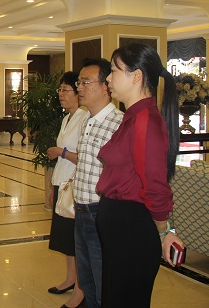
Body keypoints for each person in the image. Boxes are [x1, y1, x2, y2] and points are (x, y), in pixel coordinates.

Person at [96, 43, 185, 307]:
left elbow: (155, 184)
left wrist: (164, 232)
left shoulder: (145, 119)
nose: (108, 79)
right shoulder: (133, 116)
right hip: (120, 224)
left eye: (114, 71)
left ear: (136, 76)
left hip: (132, 226)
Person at [73, 58, 123, 308]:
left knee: (104, 278)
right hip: (81, 210)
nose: (79, 88)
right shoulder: (87, 120)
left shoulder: (119, 123)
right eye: (78, 82)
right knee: (87, 279)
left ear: (105, 86)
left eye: (85, 82)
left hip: (100, 211)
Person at [46, 72, 87, 308]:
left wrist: (60, 152)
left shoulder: (84, 118)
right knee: (66, 240)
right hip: (61, 183)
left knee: (77, 241)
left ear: (77, 93)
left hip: (75, 186)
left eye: (65, 90)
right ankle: (71, 279)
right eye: (60, 90)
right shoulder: (67, 118)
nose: (61, 94)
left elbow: (85, 157)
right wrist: (54, 187)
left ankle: (81, 290)